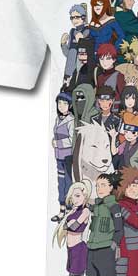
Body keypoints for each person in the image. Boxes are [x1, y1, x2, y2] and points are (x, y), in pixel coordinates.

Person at [83, 173, 123, 276]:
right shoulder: (96, 205)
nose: (99, 188)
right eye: (98, 185)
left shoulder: (114, 206)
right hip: (91, 253)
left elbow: (119, 229)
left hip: (106, 253)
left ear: (111, 188)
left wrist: (113, 246)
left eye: (103, 185)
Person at [54, 180, 92, 276]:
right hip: (71, 250)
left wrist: (68, 224)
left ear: (85, 196)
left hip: (79, 250)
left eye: (78, 196)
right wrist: (68, 224)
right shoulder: (73, 211)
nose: (75, 199)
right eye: (73, 196)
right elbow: (67, 226)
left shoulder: (85, 211)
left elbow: (74, 226)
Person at [51, 92, 75, 223]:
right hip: (59, 156)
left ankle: (70, 211)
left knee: (68, 182)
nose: (61, 106)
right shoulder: (57, 118)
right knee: (61, 183)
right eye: (59, 103)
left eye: (65, 103)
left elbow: (72, 140)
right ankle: (62, 210)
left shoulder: (71, 120)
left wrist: (58, 143)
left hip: (68, 156)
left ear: (70, 105)